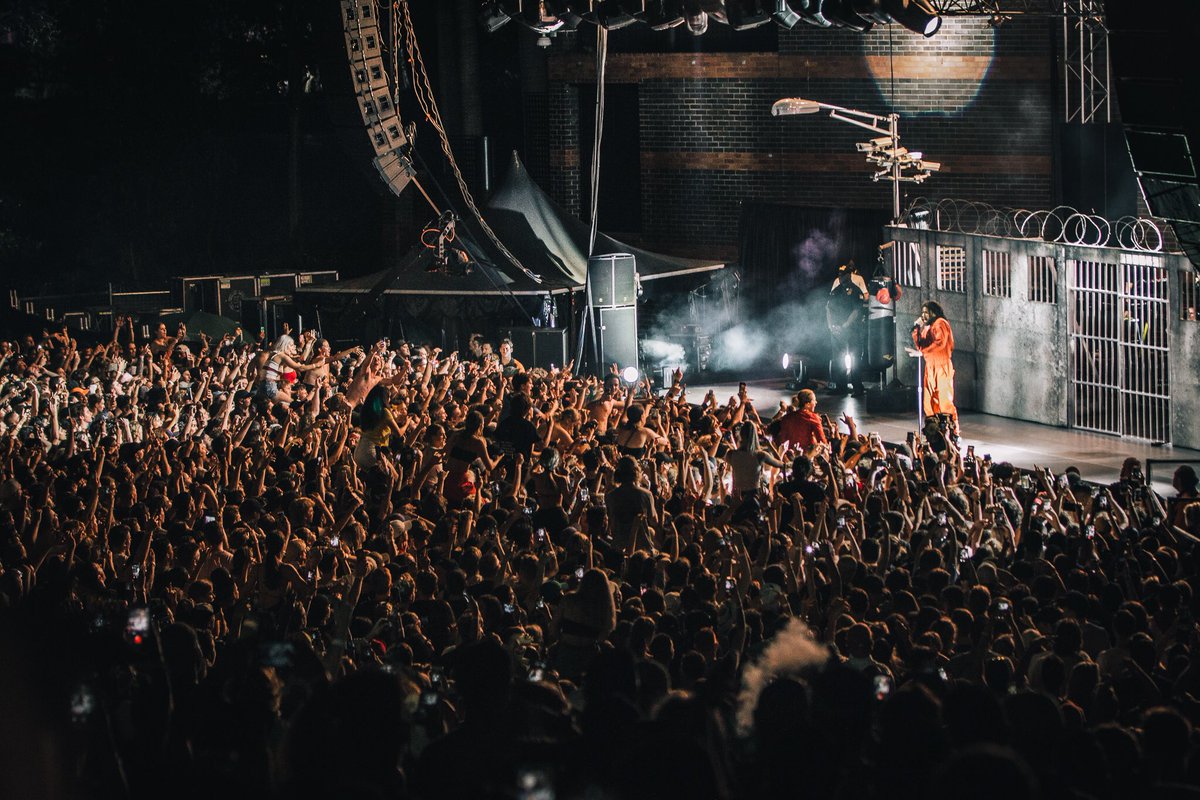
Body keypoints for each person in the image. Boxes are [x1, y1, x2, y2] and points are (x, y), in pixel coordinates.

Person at [911, 300, 958, 432]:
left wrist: (922, 351)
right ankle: (934, 432)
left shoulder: (940, 323)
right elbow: (921, 345)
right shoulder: (928, 327)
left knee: (944, 402)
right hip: (930, 367)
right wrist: (916, 330)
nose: (923, 316)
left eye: (926, 312)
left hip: (941, 367)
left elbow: (940, 343)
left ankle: (953, 433)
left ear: (934, 312)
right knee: (929, 403)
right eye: (922, 313)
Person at [826, 261, 867, 396]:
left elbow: (856, 311)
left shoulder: (855, 290)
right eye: (840, 274)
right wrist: (830, 326)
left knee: (855, 359)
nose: (841, 277)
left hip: (852, 330)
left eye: (844, 275)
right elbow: (828, 308)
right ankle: (841, 387)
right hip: (837, 330)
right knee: (838, 359)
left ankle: (857, 388)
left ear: (849, 275)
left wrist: (845, 325)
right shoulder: (836, 291)